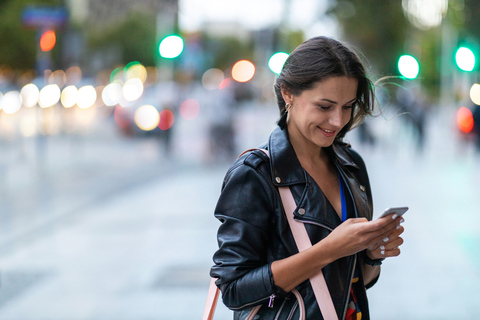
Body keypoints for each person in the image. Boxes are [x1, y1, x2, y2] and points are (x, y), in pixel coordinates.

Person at [210, 36, 405, 320]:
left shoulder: (351, 166)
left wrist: (373, 254)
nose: (338, 121)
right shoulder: (254, 174)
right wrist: (328, 250)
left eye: (348, 106)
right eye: (325, 107)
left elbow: (355, 282)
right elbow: (234, 290)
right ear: (288, 93)